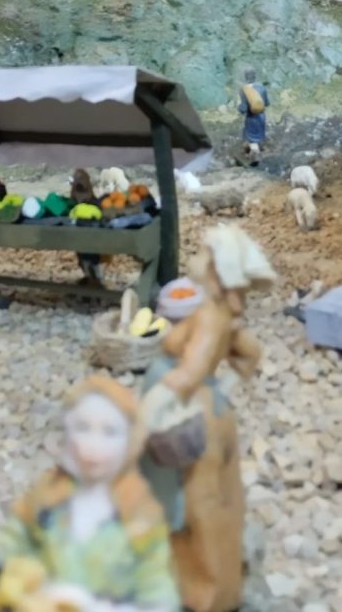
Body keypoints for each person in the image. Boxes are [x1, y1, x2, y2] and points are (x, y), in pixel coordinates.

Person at [140, 224, 276, 612]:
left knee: (196, 504)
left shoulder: (210, 316)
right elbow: (249, 354)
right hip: (209, 405)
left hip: (188, 412)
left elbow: (193, 368)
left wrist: (149, 411)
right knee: (219, 495)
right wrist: (224, 388)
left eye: (202, 253)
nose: (195, 258)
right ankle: (218, 582)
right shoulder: (224, 313)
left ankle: (206, 590)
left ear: (218, 268)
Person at [0, 376, 181, 612]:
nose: (93, 445)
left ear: (130, 439)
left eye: (109, 432)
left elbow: (158, 594)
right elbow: (13, 543)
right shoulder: (48, 494)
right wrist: (8, 582)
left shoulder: (141, 515)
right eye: (82, 428)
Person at [237, 69, 269, 153]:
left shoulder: (244, 90)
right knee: (260, 136)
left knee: (252, 139)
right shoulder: (262, 88)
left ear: (246, 77)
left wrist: (239, 107)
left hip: (251, 118)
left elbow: (243, 109)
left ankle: (255, 155)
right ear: (254, 77)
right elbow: (267, 103)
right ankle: (262, 150)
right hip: (261, 117)